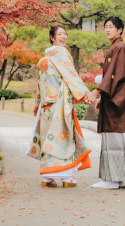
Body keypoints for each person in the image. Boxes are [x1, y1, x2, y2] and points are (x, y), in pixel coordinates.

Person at [27, 25, 93, 187]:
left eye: (65, 34)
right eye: (60, 34)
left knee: (48, 140)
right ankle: (66, 178)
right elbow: (72, 77)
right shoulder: (62, 53)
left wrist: (38, 104)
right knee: (63, 140)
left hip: (46, 106)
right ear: (52, 37)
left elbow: (39, 86)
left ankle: (47, 179)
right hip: (60, 105)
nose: (64, 37)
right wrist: (86, 94)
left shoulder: (44, 60)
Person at [86, 16, 125, 189]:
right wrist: (102, 98)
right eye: (105, 26)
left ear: (119, 30)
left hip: (118, 101)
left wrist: (96, 92)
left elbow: (114, 76)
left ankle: (112, 180)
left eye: (111, 27)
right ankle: (117, 178)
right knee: (118, 140)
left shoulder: (119, 47)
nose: (107, 29)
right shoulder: (117, 47)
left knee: (114, 138)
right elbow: (112, 77)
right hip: (117, 99)